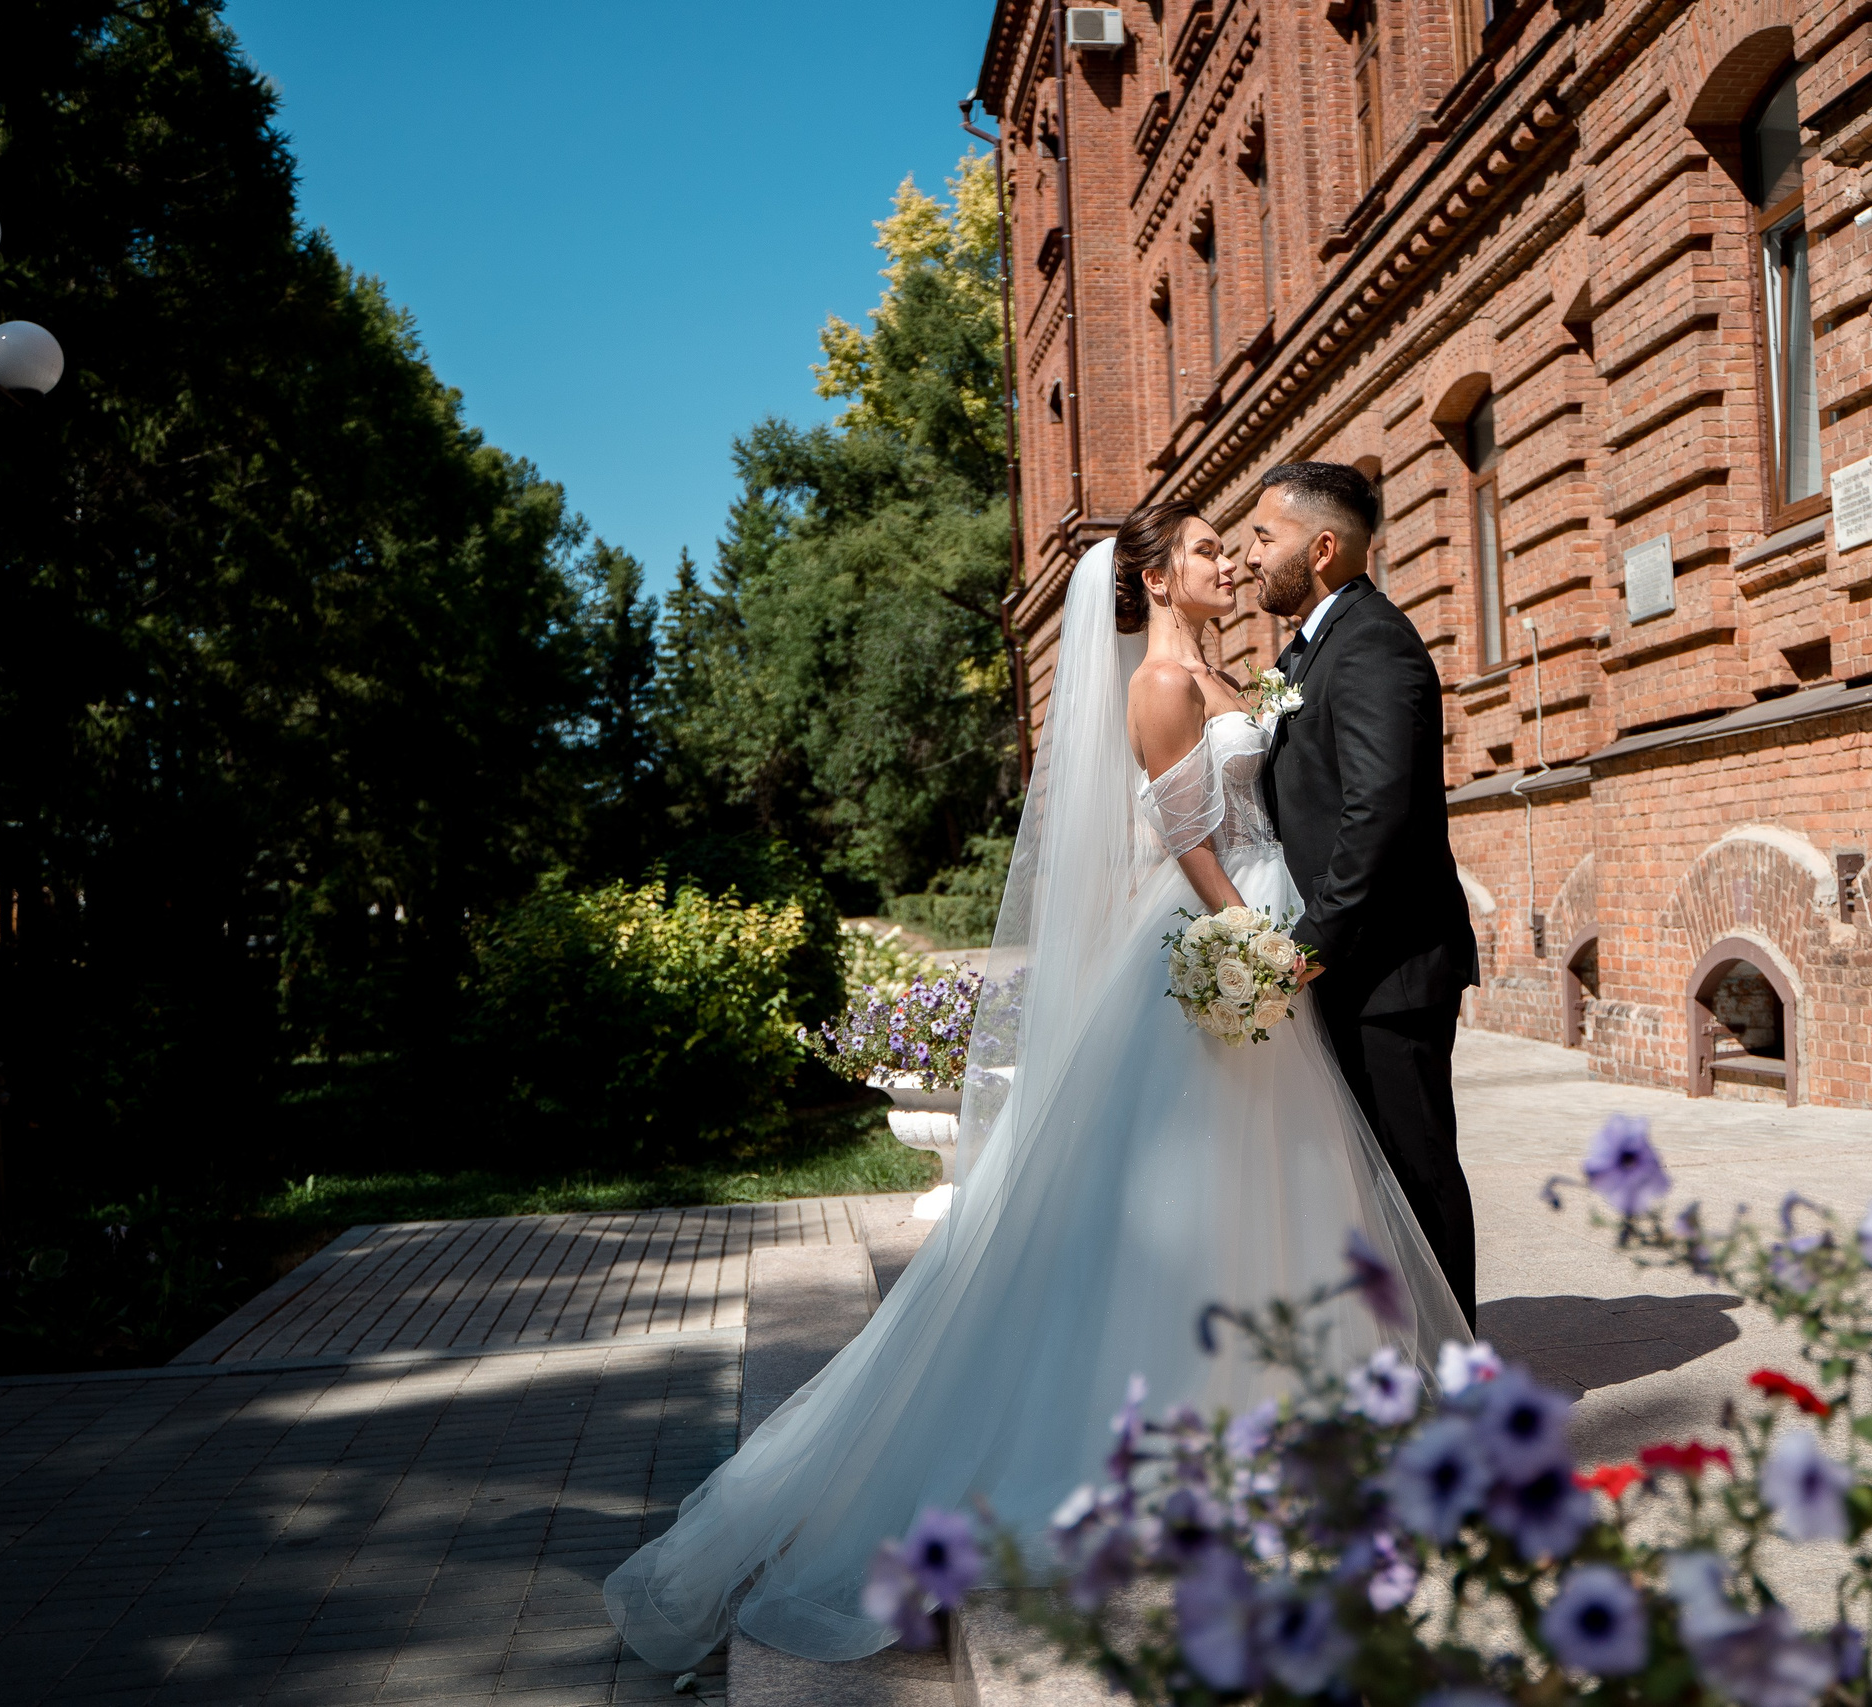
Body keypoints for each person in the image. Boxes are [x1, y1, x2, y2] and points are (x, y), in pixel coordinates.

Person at [603, 501, 1462, 1669]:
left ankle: (1285, 1394)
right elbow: (1180, 831)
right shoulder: (1159, 686)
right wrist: (1251, 943)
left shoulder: (1235, 673)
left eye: (1234, 545)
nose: (1230, 562)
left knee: (1279, 1174)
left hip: (1271, 921)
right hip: (1226, 930)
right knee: (1199, 1178)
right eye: (1210, 550)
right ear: (1156, 580)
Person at [1247, 461, 1480, 1331]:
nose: (1251, 555)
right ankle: (1403, 1350)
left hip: (1390, 967)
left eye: (1265, 537)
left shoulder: (1376, 642)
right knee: (1367, 1177)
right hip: (1348, 963)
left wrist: (1311, 944)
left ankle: (1456, 1370)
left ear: (1323, 546)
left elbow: (1378, 811)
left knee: (1417, 1172)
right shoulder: (1304, 647)